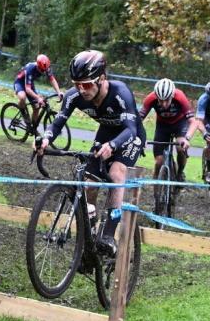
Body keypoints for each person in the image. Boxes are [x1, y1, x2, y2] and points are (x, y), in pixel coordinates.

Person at [35, 50, 146, 256]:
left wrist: (112, 146)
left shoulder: (121, 93)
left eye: (86, 84)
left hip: (130, 134)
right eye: (76, 84)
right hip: (106, 131)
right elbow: (58, 122)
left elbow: (130, 129)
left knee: (116, 172)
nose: (81, 89)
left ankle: (109, 235)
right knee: (89, 181)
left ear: (102, 79)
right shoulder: (75, 95)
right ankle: (91, 229)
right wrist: (45, 138)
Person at [139, 78, 197, 182]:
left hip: (180, 124)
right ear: (156, 97)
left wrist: (187, 138)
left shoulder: (180, 97)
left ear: (172, 96)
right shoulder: (150, 98)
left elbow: (193, 122)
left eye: (167, 100)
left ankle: (180, 172)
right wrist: (139, 137)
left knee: (180, 148)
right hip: (162, 125)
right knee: (159, 161)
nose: (164, 104)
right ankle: (157, 182)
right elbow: (137, 121)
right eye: (161, 101)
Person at [14, 54, 63, 132]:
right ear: (37, 65)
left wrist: (58, 92)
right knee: (22, 97)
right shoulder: (30, 68)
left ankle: (33, 128)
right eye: (41, 70)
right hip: (20, 83)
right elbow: (28, 89)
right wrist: (38, 98)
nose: (43, 72)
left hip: (29, 84)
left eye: (44, 70)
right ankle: (23, 112)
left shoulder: (46, 68)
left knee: (37, 107)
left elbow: (52, 80)